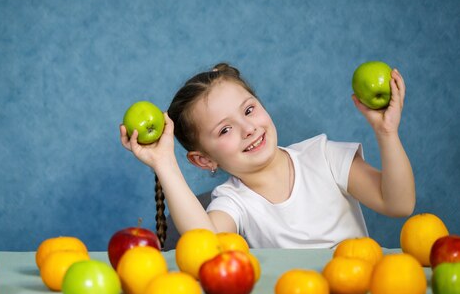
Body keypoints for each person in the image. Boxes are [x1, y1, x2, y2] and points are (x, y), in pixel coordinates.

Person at [120, 63, 415, 249]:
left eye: (249, 110)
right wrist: (164, 163)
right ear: (204, 160)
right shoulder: (232, 201)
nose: (248, 128)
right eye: (225, 130)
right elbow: (206, 242)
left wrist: (387, 133)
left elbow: (398, 204)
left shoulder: (323, 156)